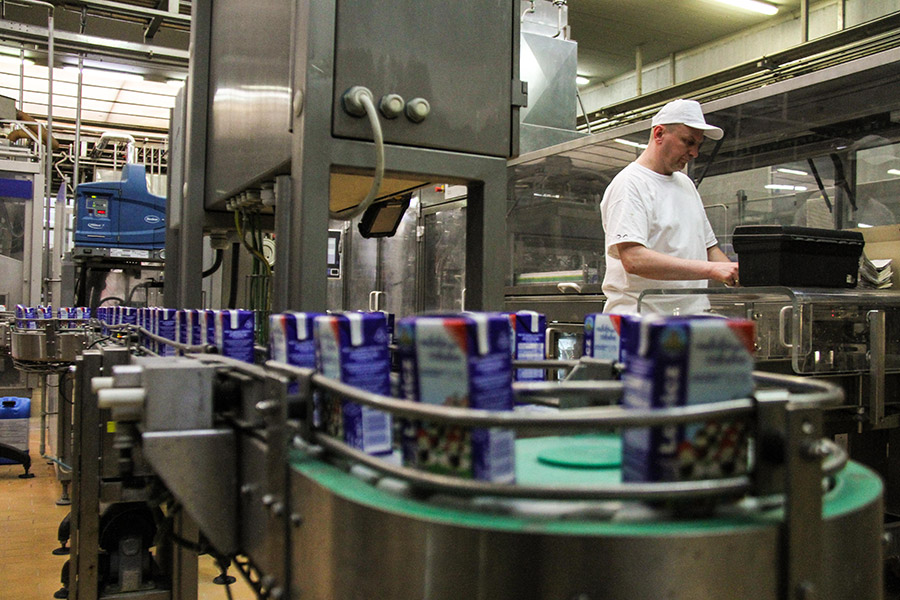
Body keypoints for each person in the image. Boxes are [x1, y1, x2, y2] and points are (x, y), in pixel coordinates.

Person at [600, 98, 739, 314]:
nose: (694, 153)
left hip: (688, 319)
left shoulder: (685, 184)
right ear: (659, 134)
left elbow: (708, 248)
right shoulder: (630, 183)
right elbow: (634, 259)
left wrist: (738, 276)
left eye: (698, 145)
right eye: (688, 142)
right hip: (640, 321)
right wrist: (713, 270)